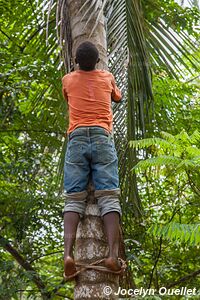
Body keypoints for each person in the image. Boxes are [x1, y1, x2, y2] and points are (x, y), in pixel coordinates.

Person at [62, 41, 123, 279]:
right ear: (98, 61)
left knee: (73, 198)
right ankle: (112, 255)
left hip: (76, 138)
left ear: (76, 62)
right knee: (108, 195)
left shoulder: (68, 79)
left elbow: (68, 97)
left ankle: (68, 255)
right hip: (101, 136)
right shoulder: (107, 77)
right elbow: (117, 97)